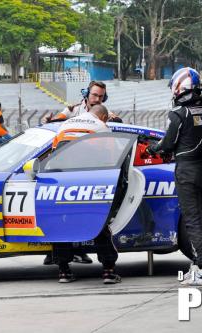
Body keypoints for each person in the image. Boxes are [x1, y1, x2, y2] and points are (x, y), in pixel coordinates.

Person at [147, 67, 202, 286]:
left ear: (180, 88)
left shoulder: (179, 113)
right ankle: (199, 263)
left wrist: (153, 149)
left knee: (192, 220)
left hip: (188, 171)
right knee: (201, 218)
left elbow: (168, 143)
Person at [50, 105, 121, 284]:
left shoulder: (65, 125)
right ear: (103, 116)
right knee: (97, 222)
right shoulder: (101, 126)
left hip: (62, 181)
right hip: (89, 179)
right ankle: (108, 271)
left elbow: (53, 153)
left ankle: (64, 271)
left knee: (62, 224)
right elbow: (112, 158)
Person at [45, 81, 122, 123]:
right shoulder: (72, 110)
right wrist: (49, 120)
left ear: (104, 98)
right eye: (94, 95)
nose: (97, 99)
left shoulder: (106, 113)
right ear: (86, 94)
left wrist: (115, 119)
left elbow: (117, 120)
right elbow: (56, 119)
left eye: (101, 96)